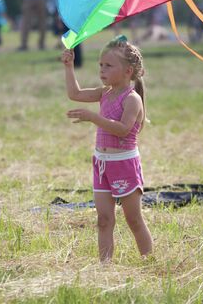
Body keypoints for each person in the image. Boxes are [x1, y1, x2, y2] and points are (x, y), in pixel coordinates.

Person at [61, 35, 152, 262]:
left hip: (124, 164)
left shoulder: (132, 99)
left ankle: (148, 261)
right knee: (103, 219)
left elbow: (122, 129)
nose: (102, 70)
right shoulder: (104, 93)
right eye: (101, 65)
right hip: (101, 164)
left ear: (128, 71)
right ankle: (104, 268)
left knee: (133, 219)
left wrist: (93, 117)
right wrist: (69, 66)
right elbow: (75, 94)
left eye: (109, 66)